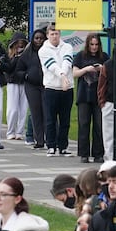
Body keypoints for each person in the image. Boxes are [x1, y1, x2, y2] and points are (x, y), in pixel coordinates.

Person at [39, 25, 75, 157]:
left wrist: (65, 76)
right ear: (48, 35)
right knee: (50, 119)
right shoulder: (43, 50)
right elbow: (51, 65)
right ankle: (51, 146)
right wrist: (62, 76)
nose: (55, 36)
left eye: (57, 34)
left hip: (67, 88)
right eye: (52, 34)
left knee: (65, 119)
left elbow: (67, 61)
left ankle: (63, 146)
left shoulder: (68, 47)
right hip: (51, 88)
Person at [73, 33, 107, 162]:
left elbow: (109, 72)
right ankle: (84, 154)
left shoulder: (104, 57)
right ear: (88, 44)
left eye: (96, 45)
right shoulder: (81, 56)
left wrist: (101, 69)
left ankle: (98, 154)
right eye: (92, 44)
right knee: (84, 124)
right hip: (84, 95)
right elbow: (75, 73)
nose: (94, 47)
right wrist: (86, 69)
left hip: (99, 96)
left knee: (99, 125)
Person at [14, 29, 47, 149]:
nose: (39, 41)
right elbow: (18, 70)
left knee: (47, 112)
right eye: (36, 38)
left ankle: (50, 139)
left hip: (46, 85)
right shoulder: (27, 54)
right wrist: (26, 76)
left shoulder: (48, 52)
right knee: (35, 112)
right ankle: (39, 140)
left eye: (41, 38)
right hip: (31, 86)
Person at [4, 34, 30, 141]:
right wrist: (16, 56)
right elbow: (8, 68)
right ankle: (10, 131)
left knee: (23, 109)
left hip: (24, 82)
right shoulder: (10, 56)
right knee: (12, 109)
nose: (20, 46)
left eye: (22, 43)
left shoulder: (28, 54)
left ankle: (19, 131)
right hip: (13, 83)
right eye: (18, 43)